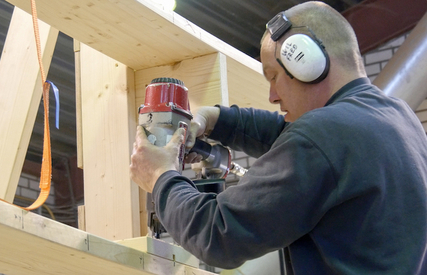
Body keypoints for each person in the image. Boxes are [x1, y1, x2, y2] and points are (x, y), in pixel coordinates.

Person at [130, 1, 427, 274]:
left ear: (307, 62)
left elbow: (218, 235)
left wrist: (160, 177)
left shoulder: (321, 137)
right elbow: (286, 134)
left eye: (273, 76)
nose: (272, 96)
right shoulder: (398, 119)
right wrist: (212, 119)